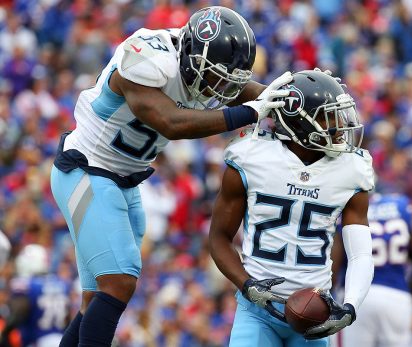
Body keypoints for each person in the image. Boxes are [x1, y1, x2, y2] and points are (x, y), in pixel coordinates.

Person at [49, 6, 292, 347]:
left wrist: (290, 97)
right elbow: (170, 122)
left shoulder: (197, 63)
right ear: (194, 58)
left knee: (97, 300)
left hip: (123, 181)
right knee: (119, 281)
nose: (220, 87)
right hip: (88, 168)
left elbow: (240, 88)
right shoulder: (148, 57)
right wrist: (250, 113)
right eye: (216, 76)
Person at [209, 68, 375, 347]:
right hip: (257, 312)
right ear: (299, 121)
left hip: (316, 314)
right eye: (328, 115)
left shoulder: (351, 170)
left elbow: (360, 254)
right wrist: (247, 285)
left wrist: (350, 306)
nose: (339, 124)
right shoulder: (252, 157)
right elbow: (219, 239)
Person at [338, 193, 412, 347]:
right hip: (396, 297)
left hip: (356, 297)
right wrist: (410, 295)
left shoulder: (348, 206)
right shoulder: (400, 206)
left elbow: (333, 265)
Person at [0, 244, 71, 347]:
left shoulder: (27, 285)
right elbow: (67, 318)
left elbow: (18, 314)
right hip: (60, 340)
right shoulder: (61, 284)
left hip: (37, 341)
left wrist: (5, 332)